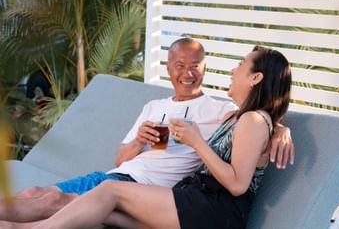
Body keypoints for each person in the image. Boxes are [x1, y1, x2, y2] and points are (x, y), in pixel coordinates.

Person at [0, 39, 294, 227]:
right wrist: (141, 139)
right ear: (169, 69)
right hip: (174, 194)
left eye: (241, 65)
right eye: (180, 65)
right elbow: (259, 121)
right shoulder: (165, 107)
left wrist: (279, 128)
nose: (233, 70)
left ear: (256, 77)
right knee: (41, 197)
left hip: (199, 205)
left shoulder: (226, 112)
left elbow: (239, 180)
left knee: (77, 199)